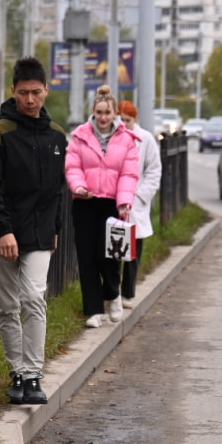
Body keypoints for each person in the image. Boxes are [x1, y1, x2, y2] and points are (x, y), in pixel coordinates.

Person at [0, 56, 68, 405]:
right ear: (12, 91)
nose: (30, 100)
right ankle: (17, 373)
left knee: (33, 297)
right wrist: (3, 230)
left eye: (36, 92)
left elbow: (59, 191)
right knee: (7, 306)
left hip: (40, 234)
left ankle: (33, 375)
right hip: (0, 234)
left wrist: (56, 229)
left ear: (47, 90)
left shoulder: (57, 136)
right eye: (23, 93)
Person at [65, 85, 140, 328]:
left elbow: (129, 174)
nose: (103, 117)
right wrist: (78, 187)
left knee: (107, 254)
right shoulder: (80, 136)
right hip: (85, 202)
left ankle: (114, 295)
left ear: (114, 113)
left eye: (107, 113)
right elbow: (72, 166)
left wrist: (124, 202)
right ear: (93, 112)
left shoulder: (127, 139)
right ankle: (94, 310)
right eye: (99, 112)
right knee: (87, 258)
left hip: (112, 204)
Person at [117, 100, 162, 308]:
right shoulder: (113, 136)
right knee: (114, 249)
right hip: (115, 199)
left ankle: (127, 293)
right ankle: (112, 292)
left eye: (128, 120)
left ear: (136, 120)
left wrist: (140, 196)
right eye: (121, 119)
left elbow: (153, 170)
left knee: (133, 252)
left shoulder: (146, 139)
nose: (124, 124)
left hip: (135, 203)